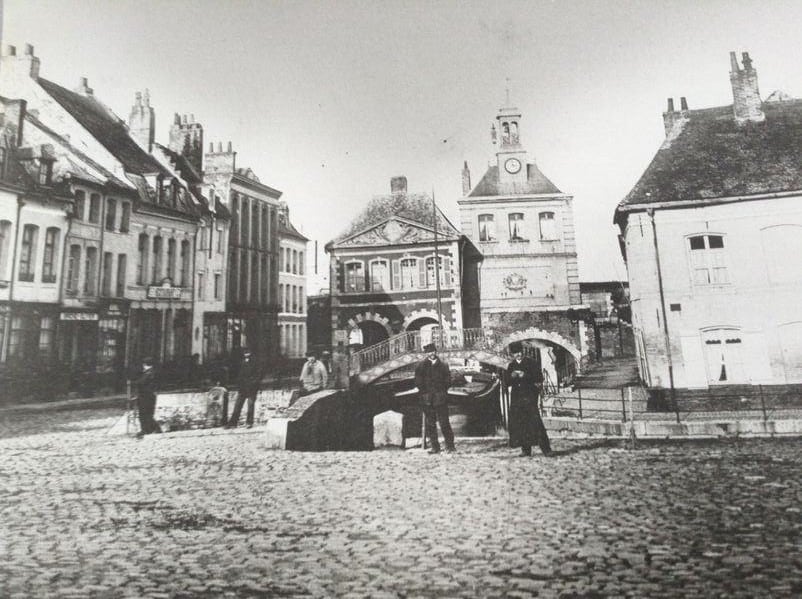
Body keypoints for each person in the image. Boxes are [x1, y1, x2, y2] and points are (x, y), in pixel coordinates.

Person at [506, 342, 551, 456]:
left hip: (529, 396)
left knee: (535, 422)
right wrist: (511, 377)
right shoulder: (511, 366)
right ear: (512, 354)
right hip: (516, 398)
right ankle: (526, 450)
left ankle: (546, 449)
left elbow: (539, 378)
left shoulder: (532, 363)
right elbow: (506, 383)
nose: (519, 354)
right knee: (520, 423)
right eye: (516, 353)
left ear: (523, 352)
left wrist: (525, 375)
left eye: (520, 352)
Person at [414, 343, 455, 454]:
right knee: (430, 424)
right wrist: (425, 393)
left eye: (432, 351)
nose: (431, 354)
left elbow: (448, 382)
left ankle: (450, 446)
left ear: (435, 352)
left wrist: (441, 391)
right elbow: (418, 382)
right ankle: (435, 447)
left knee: (444, 423)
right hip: (427, 400)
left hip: (440, 398)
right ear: (426, 354)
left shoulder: (443, 365)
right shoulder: (420, 366)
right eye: (428, 352)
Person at [226, 349, 262, 429]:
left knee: (250, 405)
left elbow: (258, 375)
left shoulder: (256, 362)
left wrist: (253, 384)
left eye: (248, 352)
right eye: (245, 353)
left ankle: (249, 422)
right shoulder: (242, 362)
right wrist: (239, 385)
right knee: (237, 405)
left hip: (252, 388)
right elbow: (239, 375)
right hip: (242, 388)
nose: (246, 354)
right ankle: (233, 423)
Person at [134, 356, 161, 438]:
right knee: (146, 414)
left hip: (146, 396)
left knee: (144, 414)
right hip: (149, 396)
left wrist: (135, 382)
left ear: (145, 364)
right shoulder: (152, 372)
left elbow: (141, 382)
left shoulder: (149, 373)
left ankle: (151, 429)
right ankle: (149, 429)